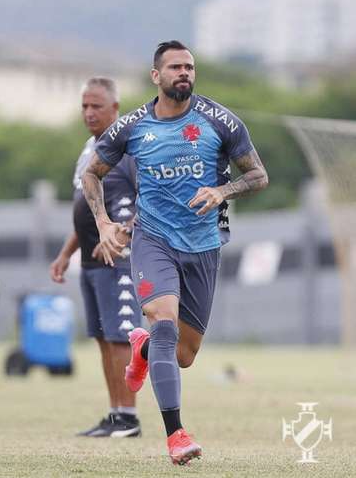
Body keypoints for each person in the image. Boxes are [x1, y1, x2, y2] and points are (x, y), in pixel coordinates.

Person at [81, 41, 268, 465]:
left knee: (183, 355)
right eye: (175, 67)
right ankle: (176, 435)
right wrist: (105, 224)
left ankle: (143, 350)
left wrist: (222, 190)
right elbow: (93, 174)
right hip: (153, 241)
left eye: (189, 66)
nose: (184, 72)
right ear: (156, 76)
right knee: (164, 323)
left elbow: (258, 175)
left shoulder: (220, 121)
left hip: (203, 245)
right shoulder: (130, 128)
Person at [49, 77, 141, 437]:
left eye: (96, 106)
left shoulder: (130, 149)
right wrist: (65, 253)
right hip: (89, 260)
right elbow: (86, 206)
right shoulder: (90, 149)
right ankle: (116, 414)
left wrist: (121, 231)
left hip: (119, 258)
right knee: (103, 337)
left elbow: (151, 200)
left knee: (121, 336)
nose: (89, 112)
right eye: (84, 106)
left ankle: (129, 418)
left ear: (115, 109)